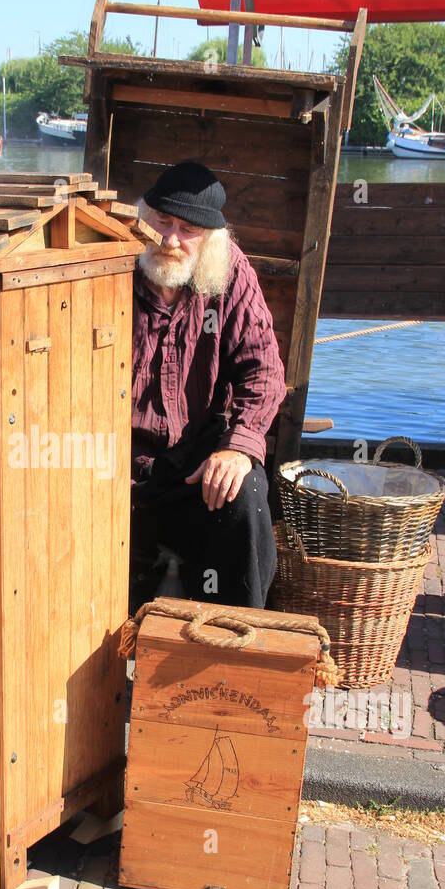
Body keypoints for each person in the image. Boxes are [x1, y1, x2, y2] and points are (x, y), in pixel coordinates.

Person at [130, 160, 286, 610]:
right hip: (114, 470)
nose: (170, 240)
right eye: (162, 221)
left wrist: (238, 447)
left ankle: (232, 647)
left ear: (211, 238)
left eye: (187, 230)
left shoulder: (230, 273)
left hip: (194, 468)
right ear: (145, 216)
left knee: (247, 494)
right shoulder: (112, 264)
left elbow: (264, 370)